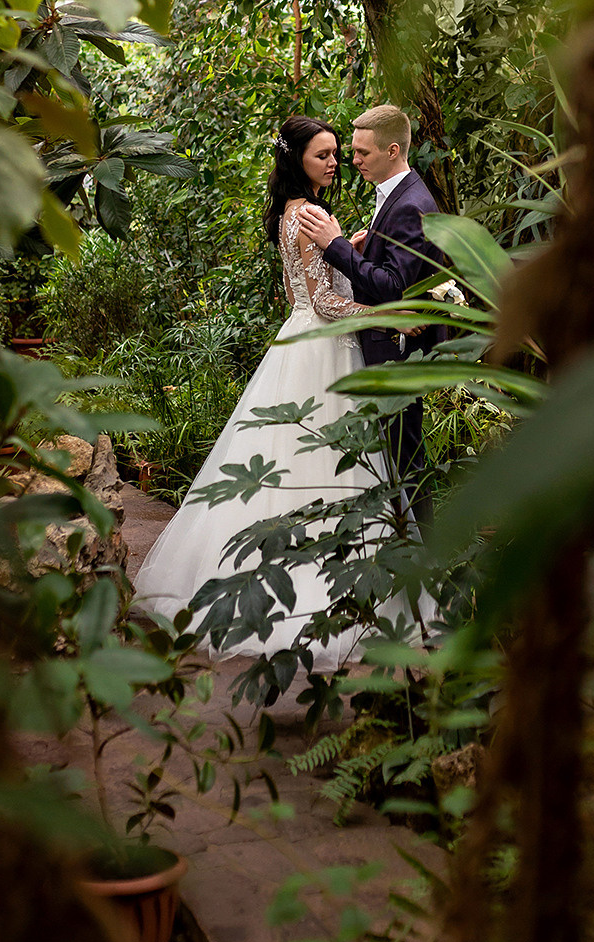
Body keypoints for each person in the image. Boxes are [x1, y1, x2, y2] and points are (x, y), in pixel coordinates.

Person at [132, 113, 419, 669]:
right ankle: (320, 593)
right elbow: (328, 304)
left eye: (338, 153)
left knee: (292, 464)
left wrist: (348, 249)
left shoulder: (294, 214)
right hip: (325, 345)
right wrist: (392, 315)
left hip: (302, 340)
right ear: (297, 161)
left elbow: (308, 287)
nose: (335, 162)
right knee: (325, 464)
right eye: (323, 155)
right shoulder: (309, 213)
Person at [298, 104, 442, 519]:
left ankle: (427, 562)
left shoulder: (411, 204)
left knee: (406, 461)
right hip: (383, 346)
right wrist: (360, 249)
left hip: (396, 351)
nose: (353, 160)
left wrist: (336, 246)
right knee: (395, 459)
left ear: (393, 150)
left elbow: (394, 287)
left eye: (362, 152)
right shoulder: (396, 196)